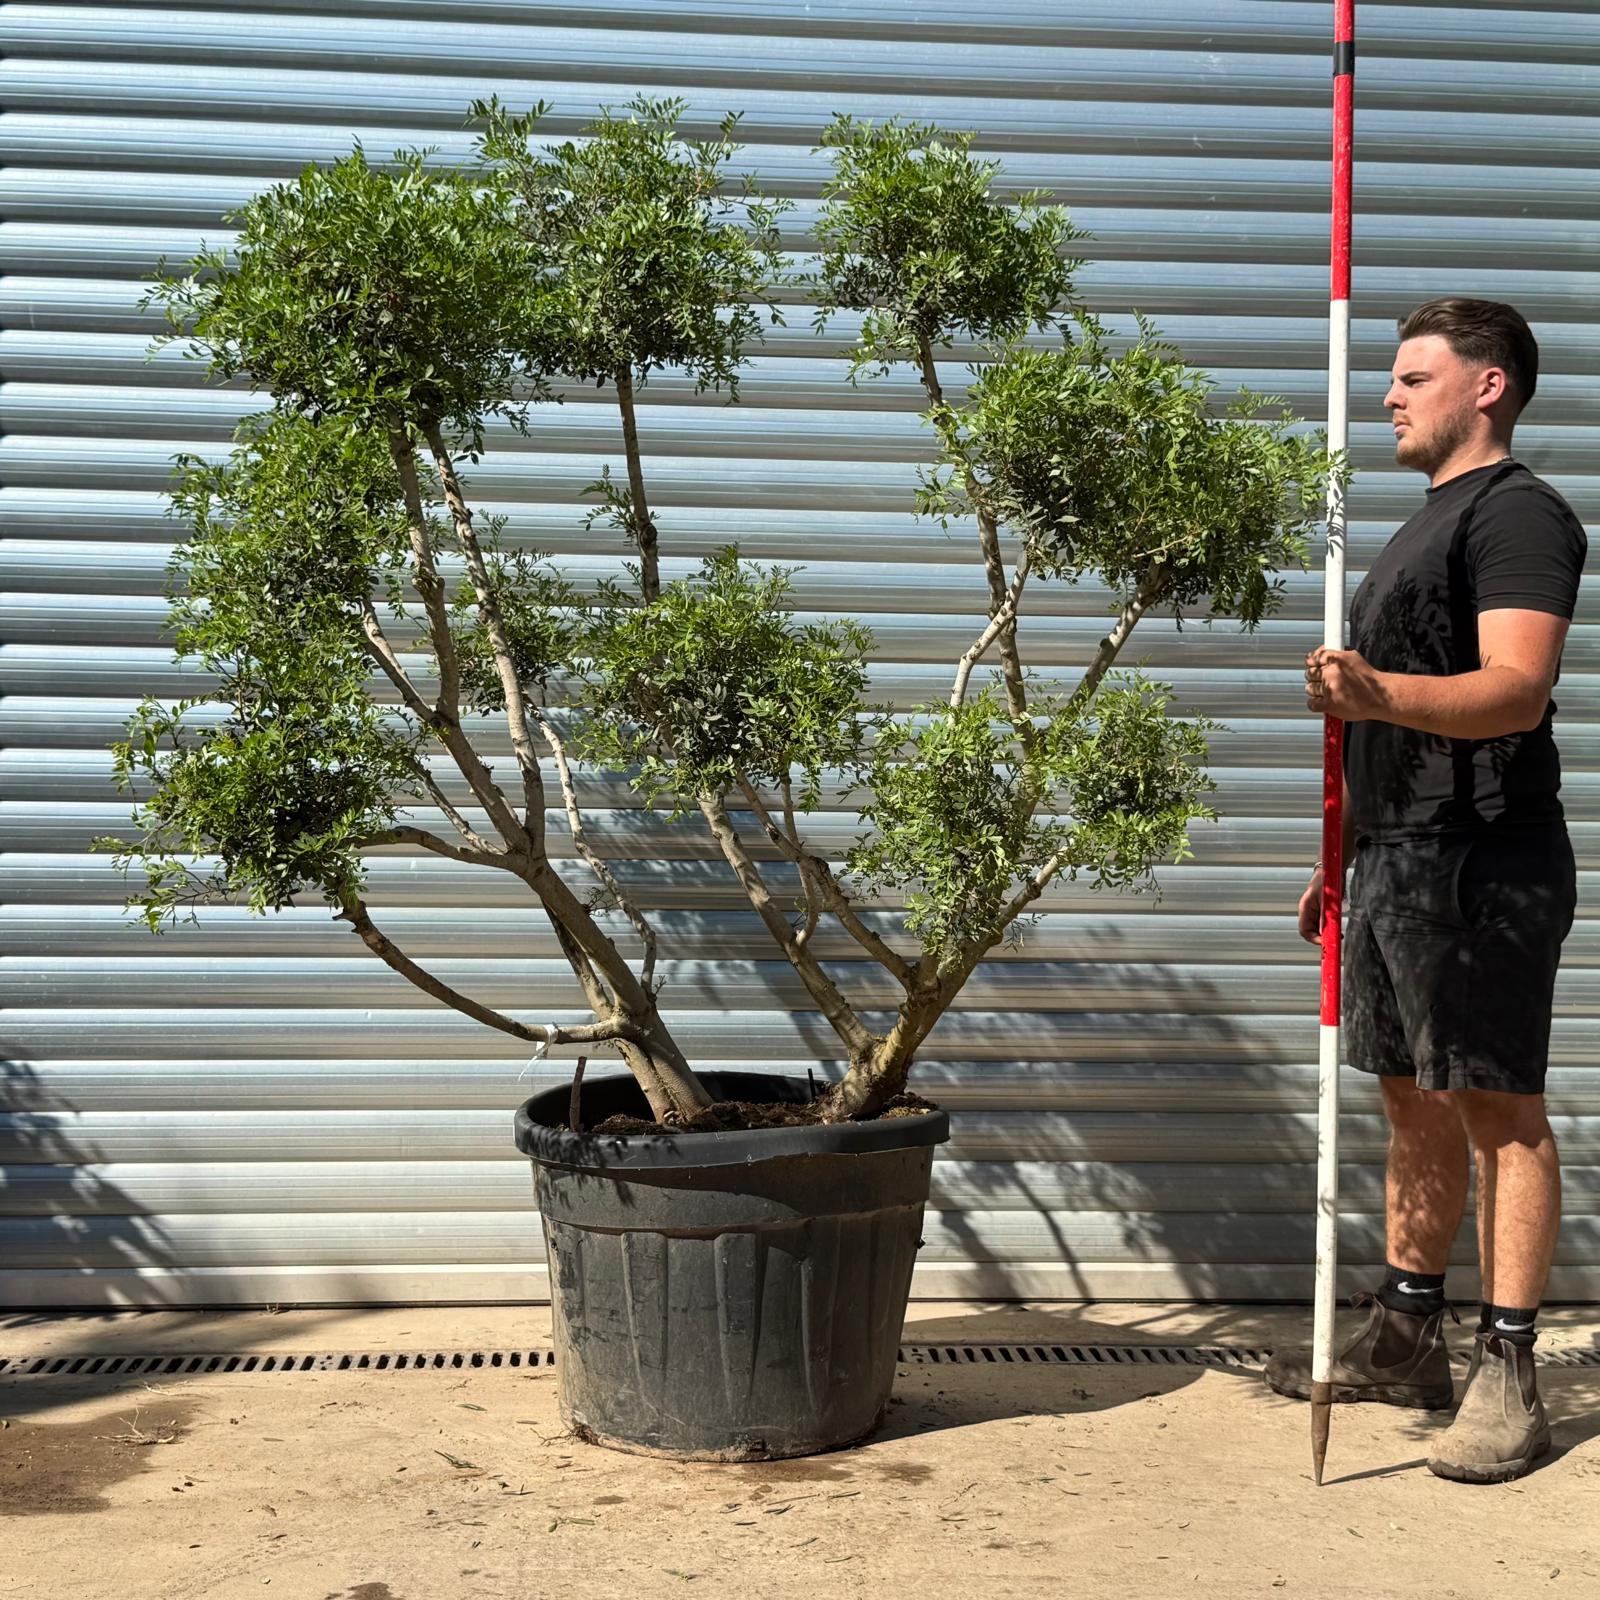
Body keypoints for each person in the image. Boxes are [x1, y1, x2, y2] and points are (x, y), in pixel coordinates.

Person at [1263, 299, 1587, 1483]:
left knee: (1498, 1108)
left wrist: (1376, 693)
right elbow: (1382, 719)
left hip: (1480, 858)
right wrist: (1335, 854)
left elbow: (1513, 690)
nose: (1388, 396)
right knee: (1409, 1098)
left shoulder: (1516, 516)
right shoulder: (1419, 525)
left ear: (1487, 385)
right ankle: (1411, 1329)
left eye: (1412, 376)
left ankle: (1510, 1373)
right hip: (1391, 857)